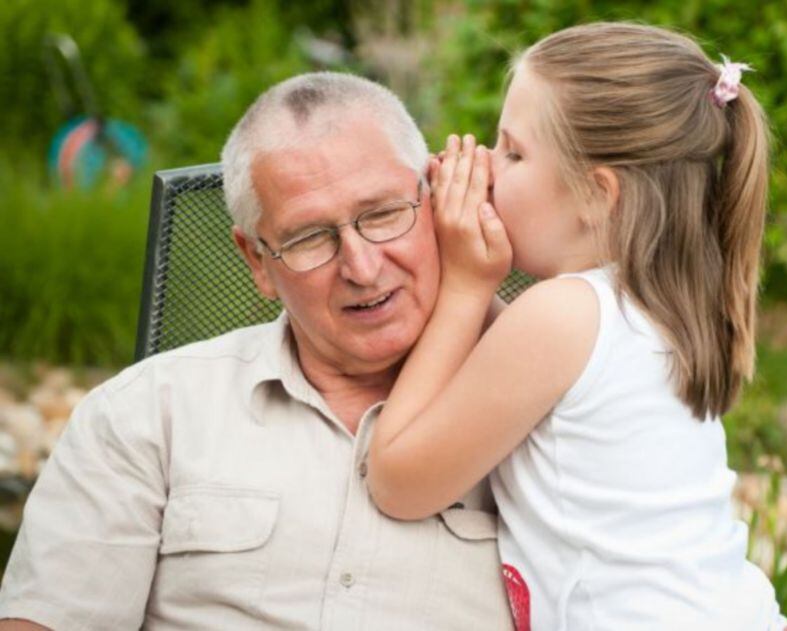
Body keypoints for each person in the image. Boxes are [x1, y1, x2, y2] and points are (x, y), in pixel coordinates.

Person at [0, 72, 514, 630]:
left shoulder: (547, 416)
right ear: (256, 262)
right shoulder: (145, 415)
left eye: (385, 213)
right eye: (309, 238)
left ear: (437, 202)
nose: (363, 269)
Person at [366, 22, 787, 630]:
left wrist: (465, 284)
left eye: (513, 151)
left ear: (597, 196)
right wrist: (472, 276)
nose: (488, 163)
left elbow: (398, 482)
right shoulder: (658, 309)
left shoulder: (561, 317)